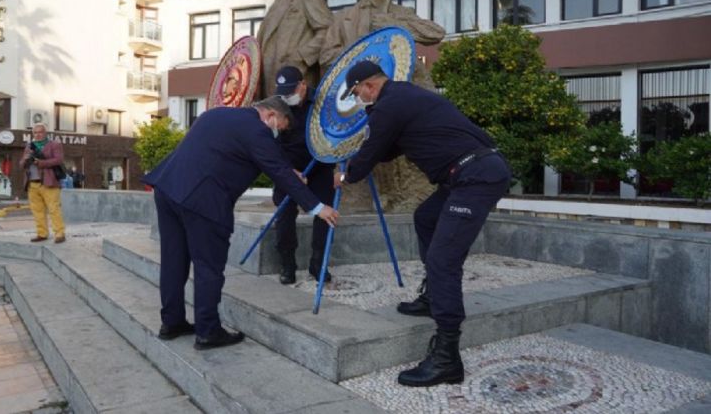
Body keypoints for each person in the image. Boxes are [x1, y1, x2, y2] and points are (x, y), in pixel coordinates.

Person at [334, 61, 511, 387]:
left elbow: (371, 153)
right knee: (425, 217)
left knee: (444, 260)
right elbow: (387, 151)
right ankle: (433, 297)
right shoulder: (401, 99)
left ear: (369, 86)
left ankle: (446, 357)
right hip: (467, 175)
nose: (358, 98)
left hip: (475, 176)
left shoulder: (391, 104)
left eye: (357, 92)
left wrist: (346, 174)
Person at [143, 96, 339, 350]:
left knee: (173, 261)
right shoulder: (257, 130)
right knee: (208, 266)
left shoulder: (217, 114)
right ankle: (208, 331)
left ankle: (172, 322)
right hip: (202, 201)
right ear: (270, 115)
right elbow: (277, 169)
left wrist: (286, 171)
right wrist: (317, 207)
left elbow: (248, 157)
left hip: (168, 189)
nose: (277, 132)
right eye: (279, 125)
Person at [272, 66, 336, 284]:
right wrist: (288, 171)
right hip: (289, 167)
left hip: (319, 165)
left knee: (325, 215)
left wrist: (339, 168)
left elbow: (336, 133)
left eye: (291, 91)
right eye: (284, 93)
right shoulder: (277, 105)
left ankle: (318, 264)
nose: (287, 97)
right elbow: (272, 145)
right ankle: (287, 263)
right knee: (284, 214)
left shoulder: (322, 102)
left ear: (302, 85)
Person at [256, 0, 332, 97]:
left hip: (294, 83)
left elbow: (328, 30)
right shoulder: (275, 5)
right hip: (268, 87)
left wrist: (301, 57)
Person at [20, 123, 66, 244]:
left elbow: (58, 160)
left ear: (45, 133)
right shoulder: (29, 146)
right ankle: (42, 233)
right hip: (32, 183)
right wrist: (25, 160)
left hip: (49, 182)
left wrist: (40, 163)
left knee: (53, 209)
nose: (37, 134)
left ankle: (60, 233)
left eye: (40, 132)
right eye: (35, 132)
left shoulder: (54, 144)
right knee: (37, 210)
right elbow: (21, 164)